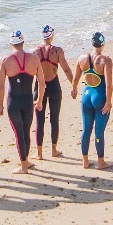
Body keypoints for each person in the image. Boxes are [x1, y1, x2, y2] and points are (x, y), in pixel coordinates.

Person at [0, 31, 45, 174]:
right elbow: (41, 83)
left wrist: (0, 105)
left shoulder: (5, 61)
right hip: (28, 101)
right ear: (23, 42)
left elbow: (0, 86)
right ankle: (26, 161)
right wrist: (40, 100)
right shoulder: (34, 59)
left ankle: (24, 166)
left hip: (13, 102)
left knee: (19, 133)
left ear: (11, 43)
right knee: (26, 132)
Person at [71, 32, 112, 170]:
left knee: (86, 129)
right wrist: (108, 102)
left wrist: (74, 90)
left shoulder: (82, 58)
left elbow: (76, 79)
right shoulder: (105, 60)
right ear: (103, 44)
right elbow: (108, 84)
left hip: (86, 96)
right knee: (99, 131)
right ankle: (100, 162)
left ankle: (85, 161)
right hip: (99, 96)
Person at [33, 25, 74, 159]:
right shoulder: (57, 51)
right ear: (52, 35)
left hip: (39, 86)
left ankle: (39, 153)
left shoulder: (35, 52)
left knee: (39, 120)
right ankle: (54, 150)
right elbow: (67, 70)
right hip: (54, 85)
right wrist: (73, 85)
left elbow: (29, 72)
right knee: (54, 119)